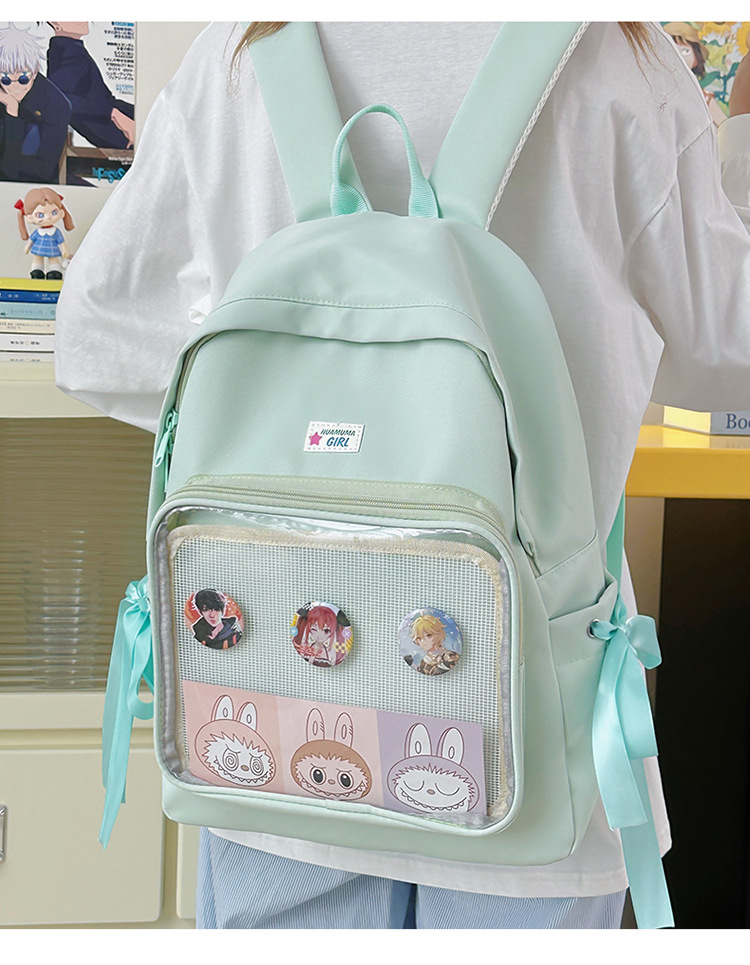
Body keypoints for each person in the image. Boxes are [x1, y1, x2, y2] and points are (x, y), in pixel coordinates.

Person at [55, 22, 750, 929]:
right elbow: (728, 352)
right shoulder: (614, 57)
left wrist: (282, 422)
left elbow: (96, 336)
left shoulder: (241, 48)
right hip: (534, 749)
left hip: (267, 739)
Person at [0, 23, 71, 184]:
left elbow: (44, 170)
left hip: (33, 184)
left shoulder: (56, 103)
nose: (15, 86)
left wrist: (12, 111)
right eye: (5, 79)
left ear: (35, 70)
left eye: (23, 78)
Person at [46, 21, 135, 149]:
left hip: (104, 119)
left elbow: (105, 99)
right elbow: (62, 99)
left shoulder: (73, 48)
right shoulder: (64, 51)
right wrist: (114, 114)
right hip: (101, 125)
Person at [14, 186, 74, 279]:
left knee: (54, 260)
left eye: (54, 212)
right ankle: (37, 270)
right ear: (30, 218)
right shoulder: (38, 232)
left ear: (61, 213)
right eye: (41, 215)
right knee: (37, 259)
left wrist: (65, 249)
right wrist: (27, 247)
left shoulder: (56, 232)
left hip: (53, 249)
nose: (48, 217)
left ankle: (54, 271)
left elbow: (61, 242)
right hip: (38, 249)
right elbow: (32, 240)